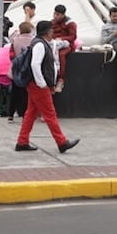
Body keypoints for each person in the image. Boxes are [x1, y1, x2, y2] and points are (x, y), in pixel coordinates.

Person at [14, 20, 79, 154]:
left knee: (31, 113)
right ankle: (61, 142)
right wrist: (42, 83)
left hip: (35, 84)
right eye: (51, 30)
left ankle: (22, 141)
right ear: (47, 31)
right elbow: (35, 65)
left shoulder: (38, 43)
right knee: (50, 114)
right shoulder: (40, 45)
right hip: (39, 85)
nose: (53, 32)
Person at [50, 4, 77, 93]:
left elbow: (73, 37)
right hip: (53, 44)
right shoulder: (52, 22)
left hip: (67, 45)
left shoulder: (71, 23)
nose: (55, 16)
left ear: (63, 14)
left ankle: (60, 79)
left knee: (61, 54)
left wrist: (61, 39)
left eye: (58, 15)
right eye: (55, 14)